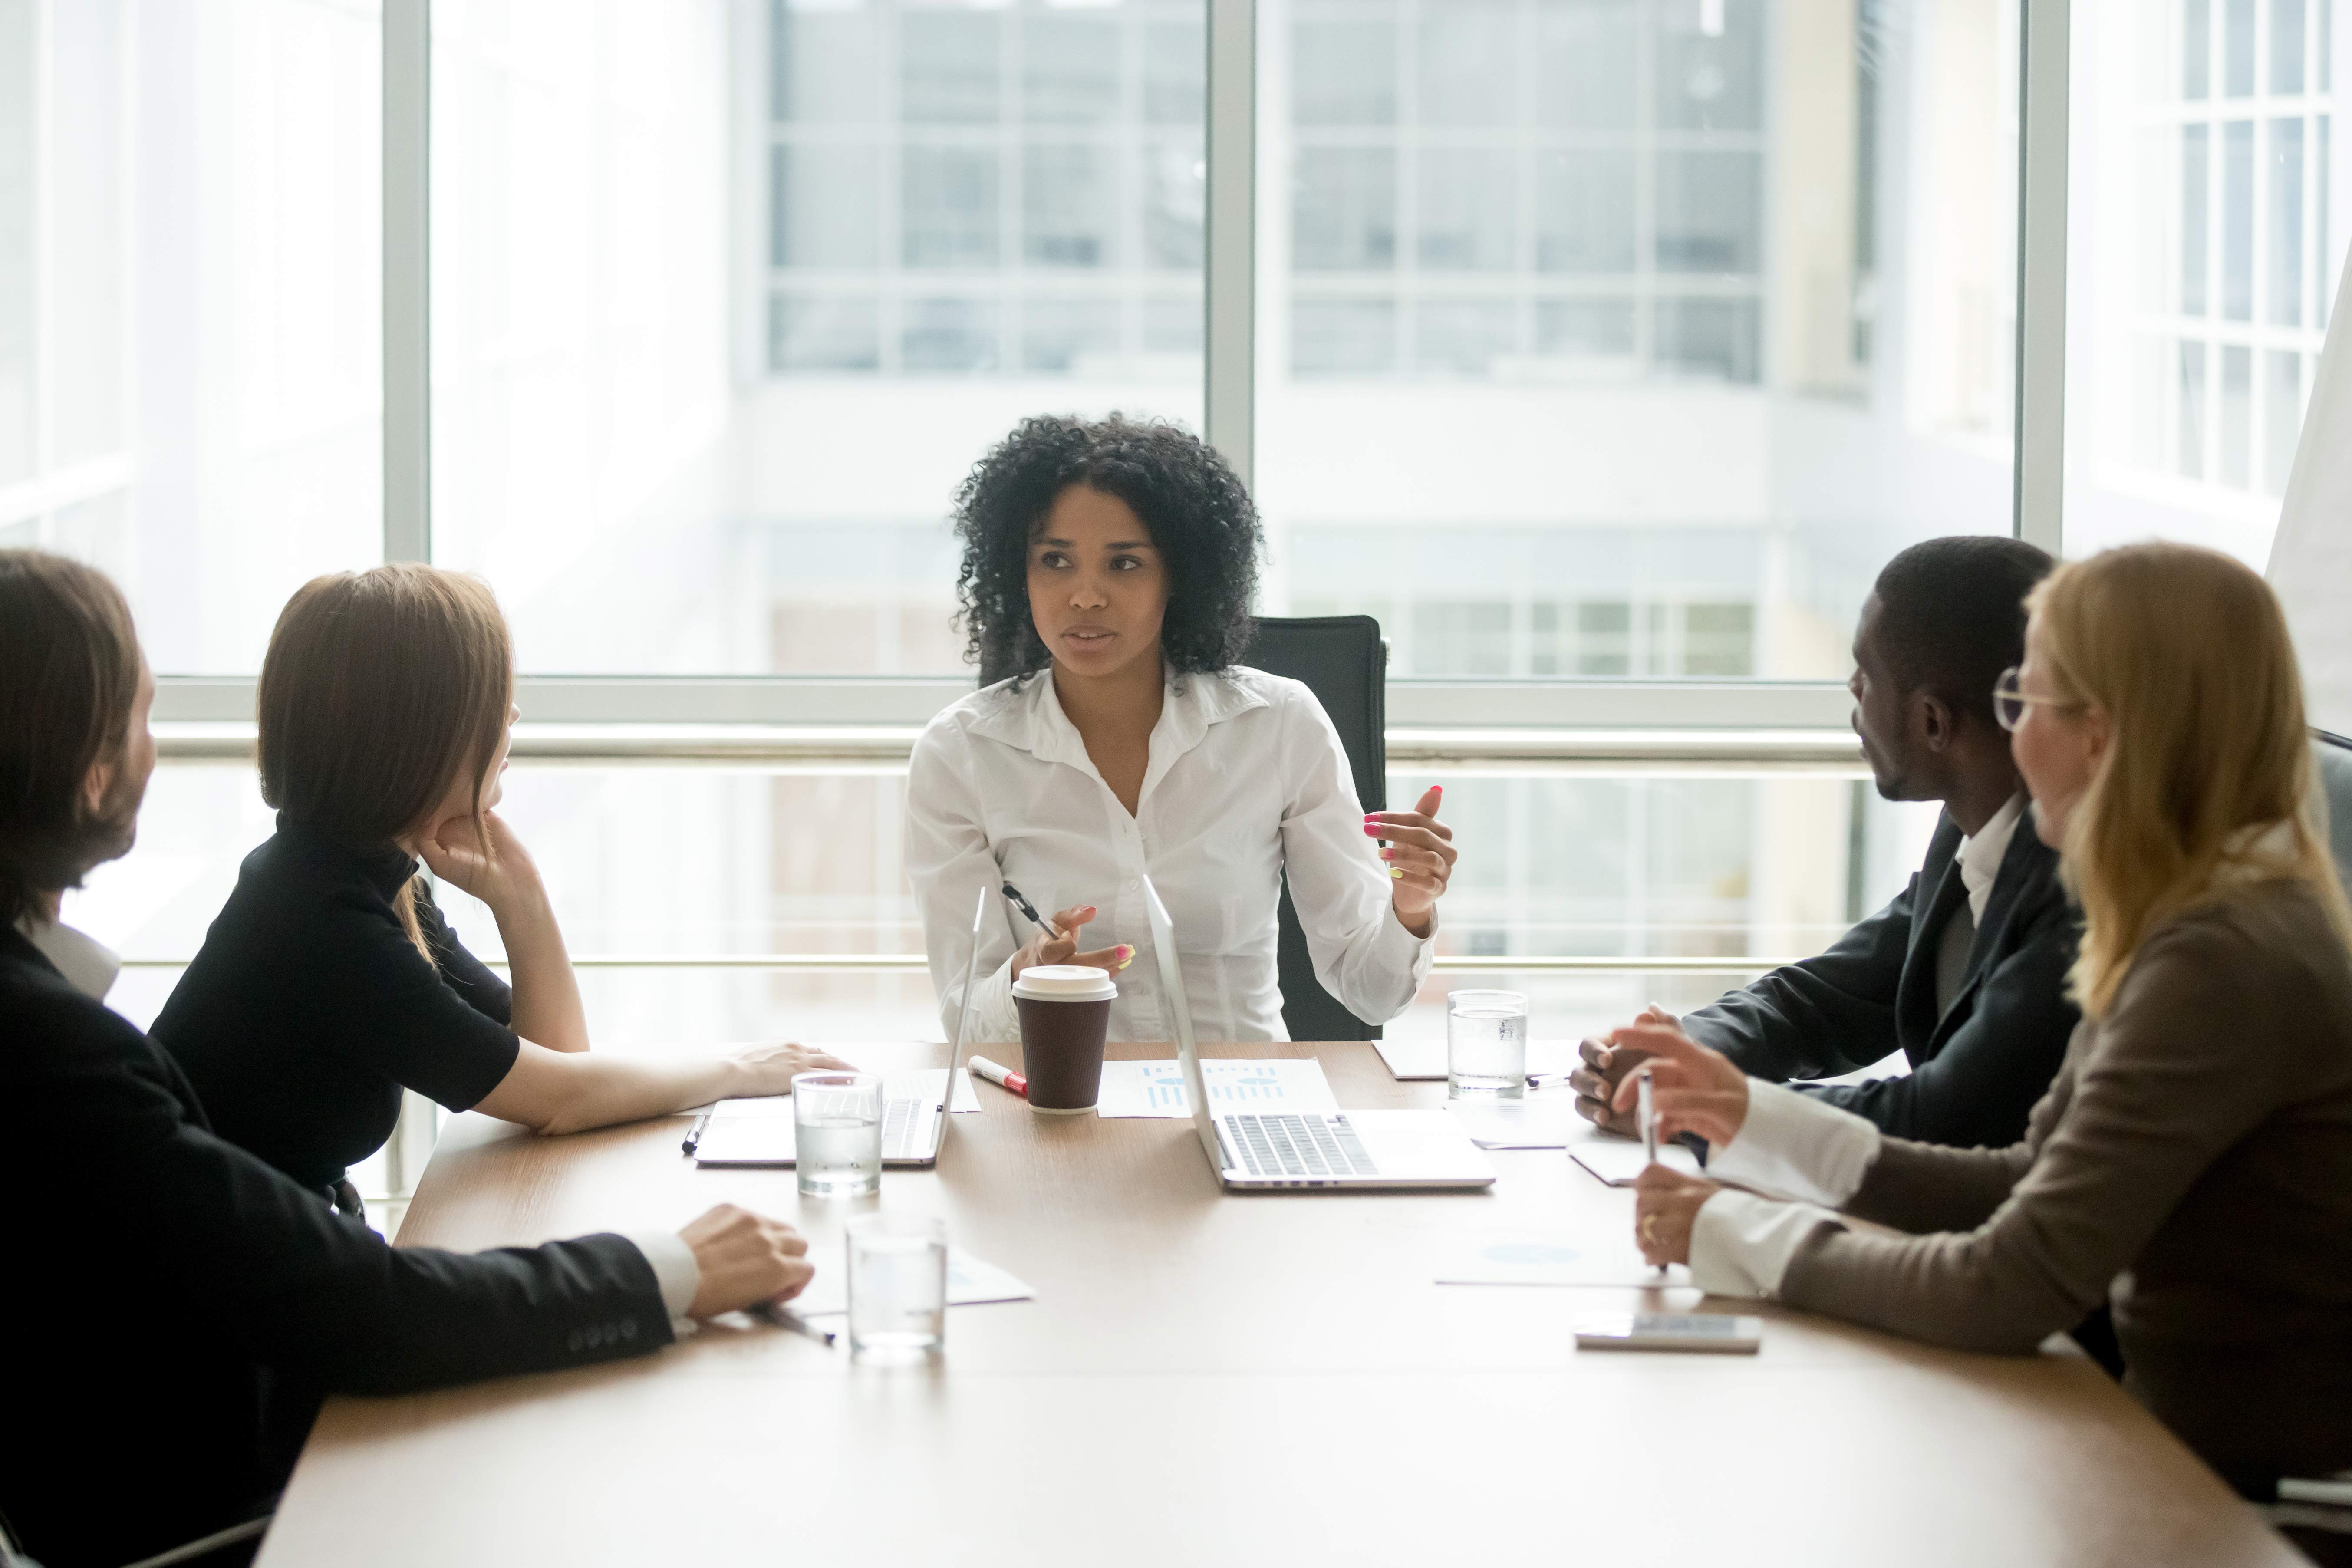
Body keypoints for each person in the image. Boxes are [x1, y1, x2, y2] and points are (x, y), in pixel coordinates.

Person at [0, 550, 813, 1568]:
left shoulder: (367, 884)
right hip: (210, 1483)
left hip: (256, 1371)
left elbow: (546, 1063)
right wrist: (675, 1263)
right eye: (141, 717)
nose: (156, 755)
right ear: (86, 766)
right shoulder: (94, 1026)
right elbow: (387, 1290)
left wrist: (521, 901)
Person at [1620, 543, 2352, 1498]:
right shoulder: (2201, 913)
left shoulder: (2217, 961)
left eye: (2026, 701)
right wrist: (1748, 1117)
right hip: (2163, 1444)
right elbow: (2021, 1180)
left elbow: (2009, 1286)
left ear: (2104, 732)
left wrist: (1734, 1238)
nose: (2013, 737)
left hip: (2248, 1499)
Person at [149, 564, 845, 1207]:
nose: (510, 719)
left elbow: (556, 1065)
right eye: (489, 702)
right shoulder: (320, 921)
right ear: (415, 735)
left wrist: (523, 900)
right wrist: (739, 1067)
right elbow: (562, 1097)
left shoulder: (357, 874)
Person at [906, 414, 1459, 1044]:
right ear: (1016, 572)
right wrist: (1023, 976)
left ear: (1180, 577)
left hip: (1245, 1101)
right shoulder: (961, 753)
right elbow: (965, 1021)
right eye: (1055, 560)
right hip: (1062, 1103)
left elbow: (1371, 993)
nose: (1085, 596)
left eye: (1125, 564)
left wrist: (1409, 907)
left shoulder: (1277, 725)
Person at [1573, 536, 2078, 1147]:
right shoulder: (1970, 828)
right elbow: (1825, 1000)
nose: (1852, 689)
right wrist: (1683, 1053)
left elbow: (1943, 1115)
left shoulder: (2076, 889)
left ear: (1932, 723)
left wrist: (1703, 1108)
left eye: (1866, 673)